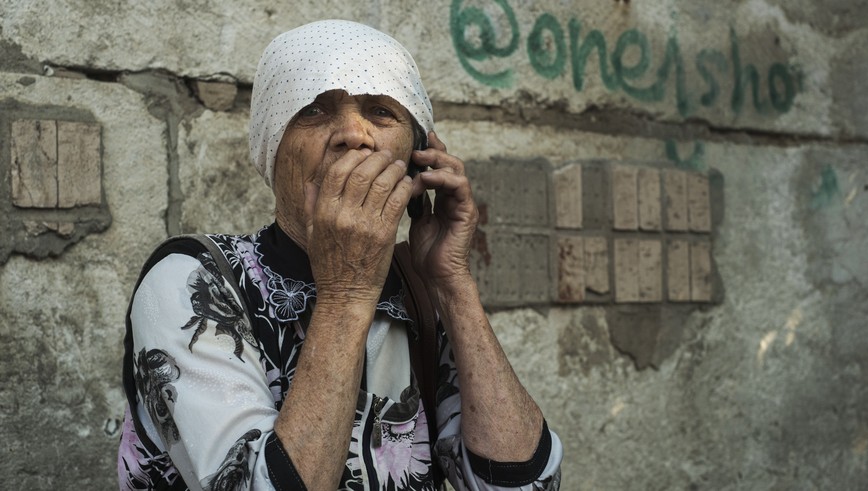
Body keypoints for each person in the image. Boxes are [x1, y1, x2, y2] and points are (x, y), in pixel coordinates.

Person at [118, 19, 562, 491]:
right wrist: (348, 291)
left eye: (381, 112)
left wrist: (452, 282)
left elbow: (527, 485)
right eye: (314, 110)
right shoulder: (191, 282)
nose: (354, 134)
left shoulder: (418, 292)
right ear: (274, 147)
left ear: (418, 157)